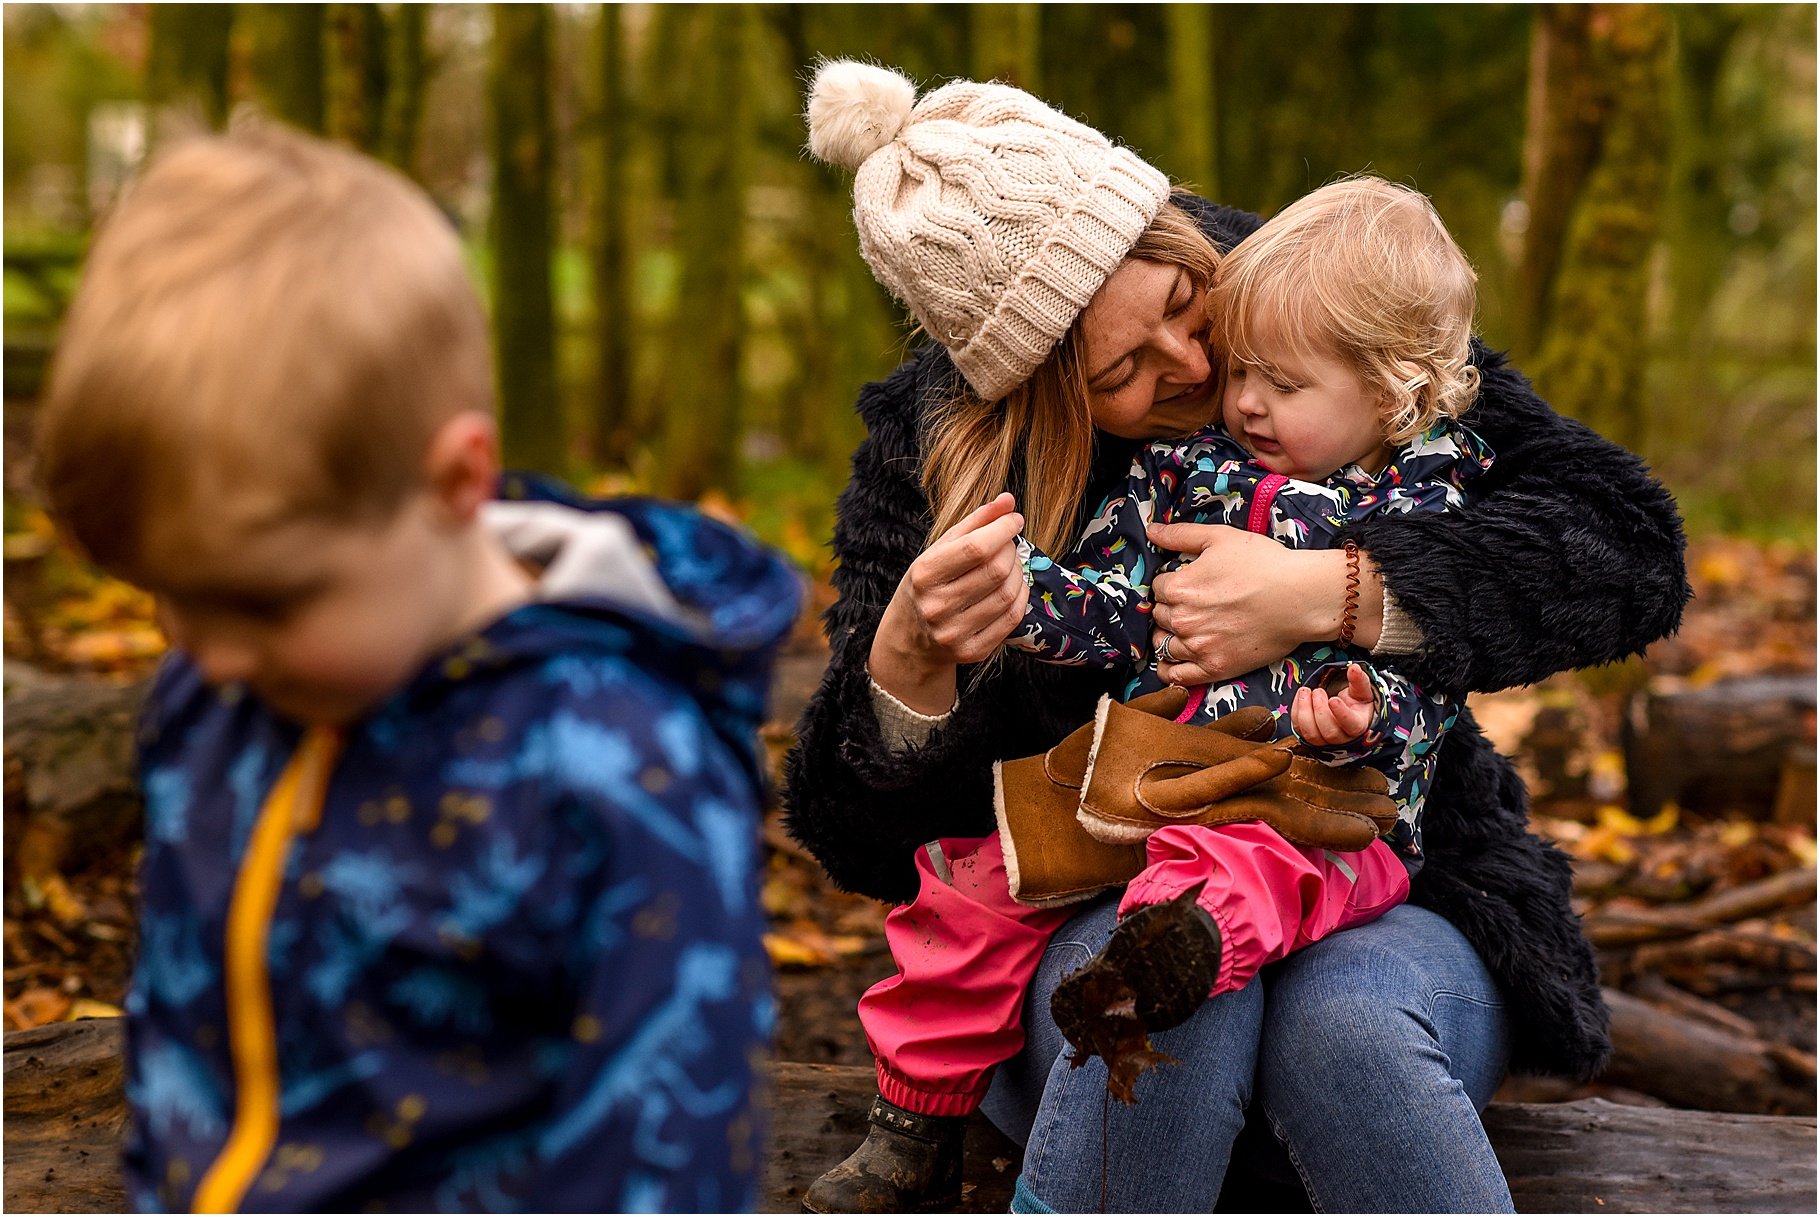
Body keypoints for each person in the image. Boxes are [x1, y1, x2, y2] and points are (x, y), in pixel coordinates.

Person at [786, 62, 1689, 1213]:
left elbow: (1624, 545)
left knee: (1346, 1029)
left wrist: (1337, 592)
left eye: (1180, 305)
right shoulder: (934, 466)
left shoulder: (1307, 293)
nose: (1201, 369)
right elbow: (852, 837)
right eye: (1122, 370)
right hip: (1091, 893)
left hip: (1376, 876)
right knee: (1160, 985)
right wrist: (909, 672)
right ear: (1038, 392)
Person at [35, 124, 800, 1213]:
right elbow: (182, 1027)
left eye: (263, 600)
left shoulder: (618, 776)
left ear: (455, 481)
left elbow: (667, 1152)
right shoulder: (223, 698)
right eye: (170, 593)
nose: (204, 650)